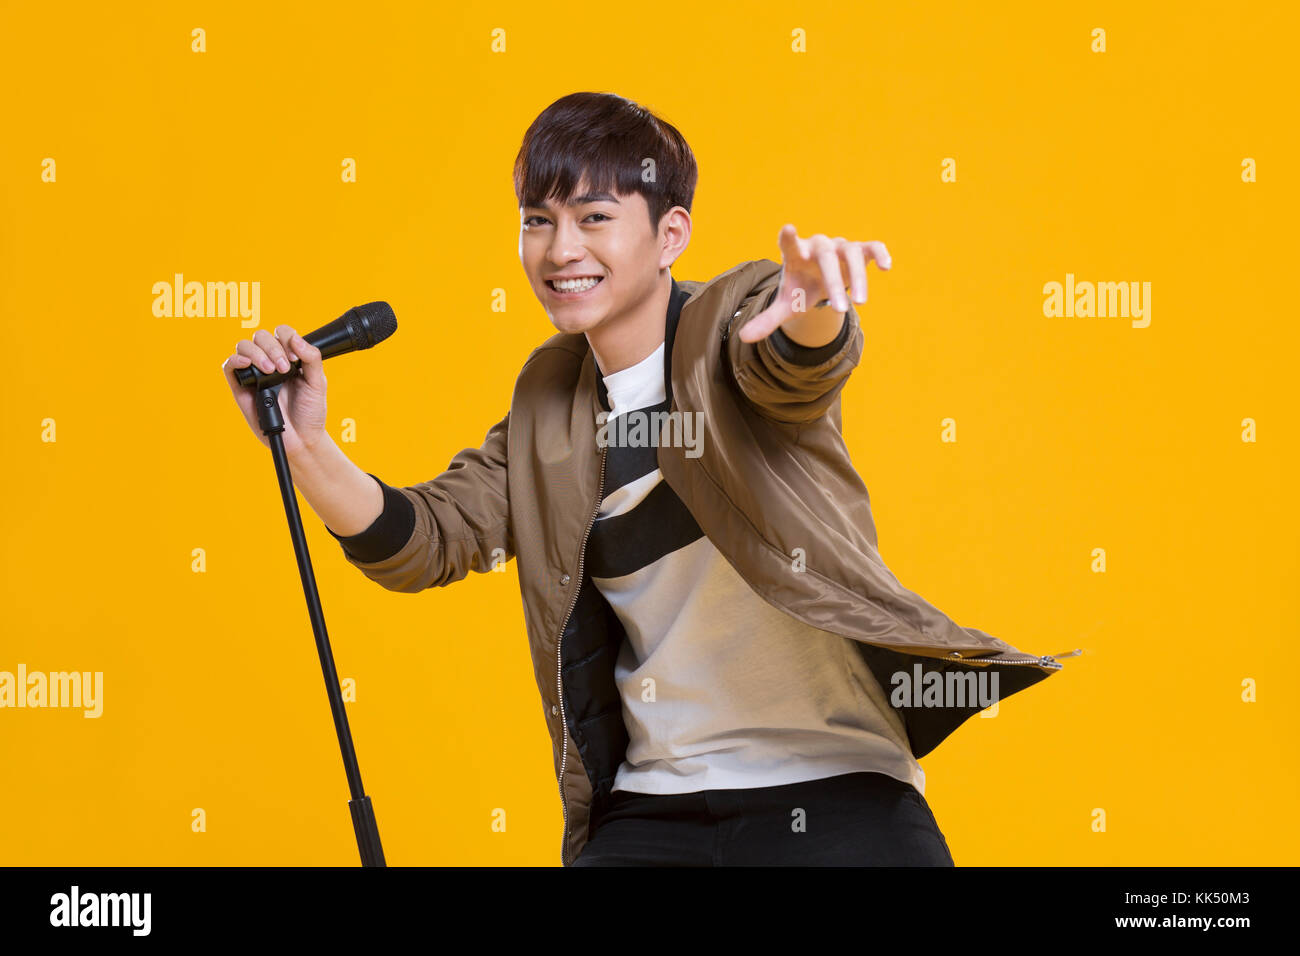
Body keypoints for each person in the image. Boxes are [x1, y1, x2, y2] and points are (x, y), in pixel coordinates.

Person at [222, 91, 1065, 867]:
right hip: (654, 812)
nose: (561, 250)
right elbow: (428, 541)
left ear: (670, 235)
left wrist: (817, 304)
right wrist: (303, 443)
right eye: (537, 221)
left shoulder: (733, 323)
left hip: (839, 790)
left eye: (594, 217)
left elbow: (796, 365)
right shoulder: (545, 407)